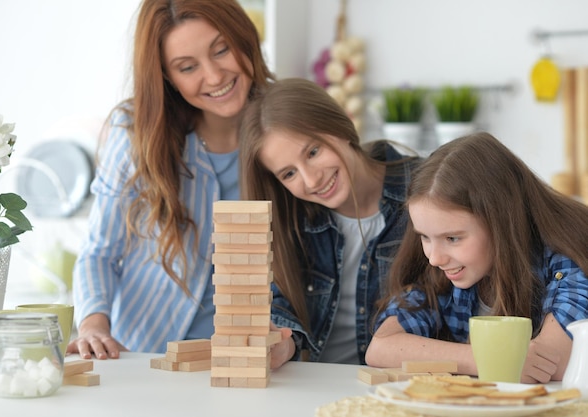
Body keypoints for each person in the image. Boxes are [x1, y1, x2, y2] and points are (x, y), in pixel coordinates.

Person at [68, 0, 274, 360]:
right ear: (168, 77)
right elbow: (100, 251)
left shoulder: (285, 122)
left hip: (251, 356)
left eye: (221, 49)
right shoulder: (135, 132)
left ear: (244, 39)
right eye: (187, 67)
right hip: (144, 355)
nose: (214, 76)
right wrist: (94, 325)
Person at [365, 132, 588, 383]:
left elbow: (551, 363)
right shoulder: (443, 270)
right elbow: (381, 348)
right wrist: (480, 359)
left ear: (501, 222)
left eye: (453, 238)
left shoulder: (569, 256)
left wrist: (454, 359)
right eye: (425, 237)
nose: (434, 258)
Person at [239, 78, 421, 367]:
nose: (312, 180)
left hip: (397, 387)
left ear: (340, 125)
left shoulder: (425, 191)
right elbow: (282, 307)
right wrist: (278, 343)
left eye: (313, 152)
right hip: (315, 386)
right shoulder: (291, 219)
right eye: (289, 174)